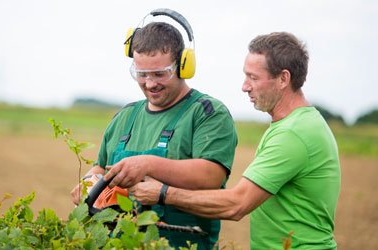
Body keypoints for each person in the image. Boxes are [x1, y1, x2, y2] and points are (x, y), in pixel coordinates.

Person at [128, 32, 341, 249]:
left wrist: (163, 193)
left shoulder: (293, 133)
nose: (245, 86)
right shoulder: (294, 124)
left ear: (283, 79)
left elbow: (236, 204)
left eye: (254, 77)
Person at [70, 10, 238, 250]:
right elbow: (101, 166)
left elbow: (211, 175)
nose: (150, 83)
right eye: (141, 74)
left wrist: (147, 164)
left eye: (160, 74)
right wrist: (88, 182)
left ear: (183, 65)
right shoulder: (125, 116)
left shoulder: (207, 113)